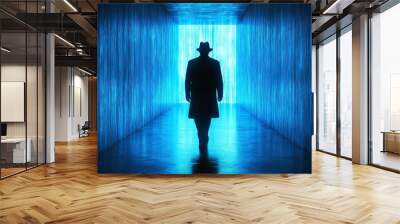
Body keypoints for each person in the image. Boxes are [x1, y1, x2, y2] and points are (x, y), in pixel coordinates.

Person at [185, 42, 223, 151]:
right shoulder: (215, 63)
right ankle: (204, 134)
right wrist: (220, 93)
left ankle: (201, 134)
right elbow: (219, 80)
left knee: (198, 116)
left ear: (200, 51)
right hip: (209, 94)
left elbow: (187, 80)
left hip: (197, 94)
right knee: (207, 115)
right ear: (208, 51)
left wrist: (187, 93)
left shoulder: (192, 63)